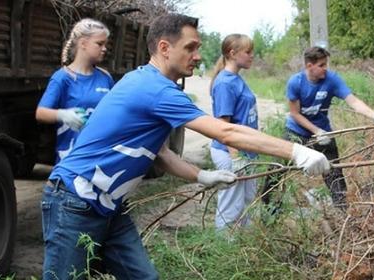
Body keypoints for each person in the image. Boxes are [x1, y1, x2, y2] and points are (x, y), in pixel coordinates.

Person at [40, 14, 331, 280]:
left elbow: (160, 152)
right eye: (190, 48)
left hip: (108, 207)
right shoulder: (155, 89)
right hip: (75, 199)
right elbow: (226, 131)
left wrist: (200, 176)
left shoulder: (148, 81)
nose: (198, 56)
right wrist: (296, 152)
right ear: (165, 48)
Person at [266, 46, 374, 210]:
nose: (325, 69)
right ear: (310, 66)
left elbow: (353, 101)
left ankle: (343, 211)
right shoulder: (296, 82)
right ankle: (269, 207)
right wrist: (316, 131)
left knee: (334, 172)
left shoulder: (332, 80)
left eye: (326, 65)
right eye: (322, 65)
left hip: (324, 132)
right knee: (276, 169)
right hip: (296, 131)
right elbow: (295, 114)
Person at [35, 18, 114, 163]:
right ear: (83, 43)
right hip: (72, 160)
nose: (105, 49)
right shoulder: (63, 78)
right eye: (99, 44)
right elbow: (40, 113)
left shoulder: (105, 77)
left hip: (101, 159)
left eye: (105, 44)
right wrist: (63, 114)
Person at [209, 34, 259, 230]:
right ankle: (224, 251)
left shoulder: (236, 79)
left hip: (247, 152)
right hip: (231, 153)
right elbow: (223, 127)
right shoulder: (224, 83)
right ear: (232, 53)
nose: (252, 56)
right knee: (230, 207)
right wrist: (236, 159)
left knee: (248, 203)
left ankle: (246, 247)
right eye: (248, 52)